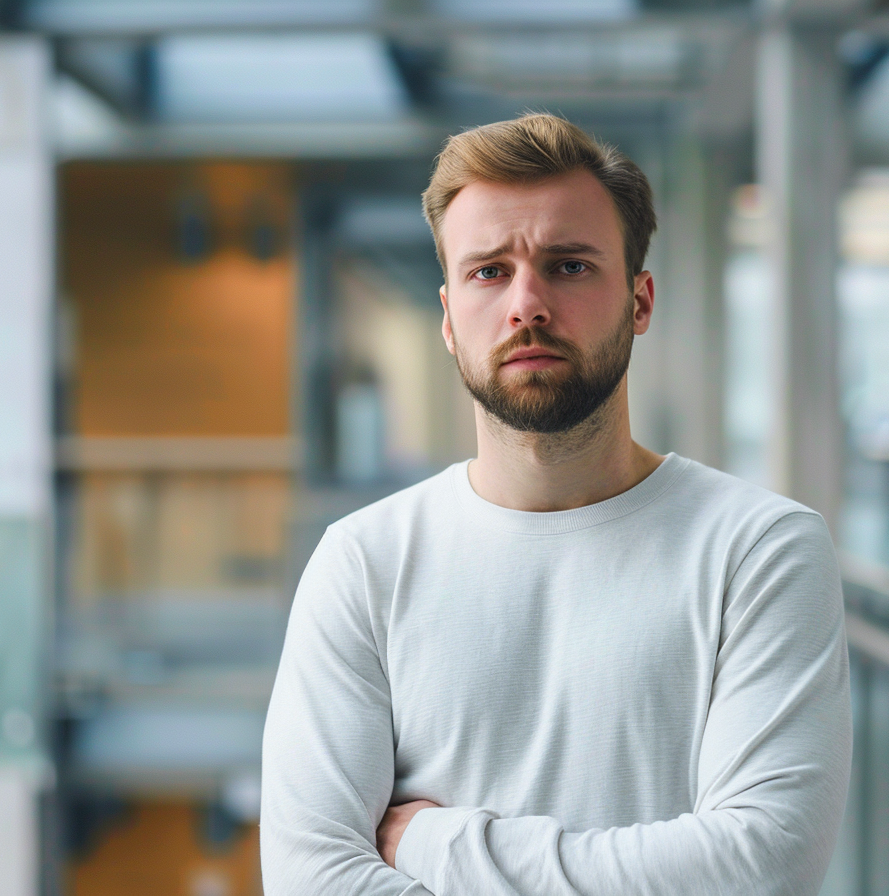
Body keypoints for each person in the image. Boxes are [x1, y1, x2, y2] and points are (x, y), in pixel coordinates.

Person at [260, 113, 852, 896]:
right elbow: (312, 882)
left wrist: (437, 842)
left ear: (640, 302)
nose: (527, 304)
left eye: (569, 266)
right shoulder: (364, 561)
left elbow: (761, 866)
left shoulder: (760, 549)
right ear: (446, 318)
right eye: (488, 272)